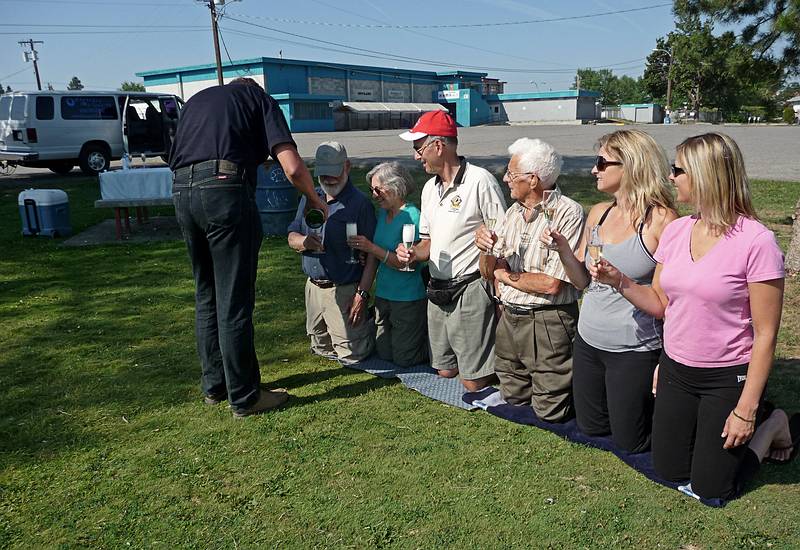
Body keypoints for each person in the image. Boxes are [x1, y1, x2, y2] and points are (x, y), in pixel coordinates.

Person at [592, 132, 785, 499]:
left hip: (726, 376)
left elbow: (765, 335)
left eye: (678, 169)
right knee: (669, 470)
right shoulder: (678, 231)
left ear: (705, 175)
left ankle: (771, 425)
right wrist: (619, 281)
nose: (670, 177)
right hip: (678, 370)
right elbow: (662, 304)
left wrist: (746, 406)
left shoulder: (757, 243)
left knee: (712, 487)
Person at [169, 77, 327, 418]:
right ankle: (245, 396)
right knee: (234, 300)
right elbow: (293, 166)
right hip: (225, 191)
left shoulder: (197, 101)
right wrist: (315, 200)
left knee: (206, 294)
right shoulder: (260, 101)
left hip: (182, 191)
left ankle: (215, 386)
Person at [544, 129, 677, 451]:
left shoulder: (662, 220)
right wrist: (562, 248)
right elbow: (581, 281)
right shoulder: (599, 212)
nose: (594, 170)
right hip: (589, 340)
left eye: (602, 162)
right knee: (591, 427)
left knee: (631, 442)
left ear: (630, 166)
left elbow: (662, 304)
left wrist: (620, 280)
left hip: (633, 349)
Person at [396, 111, 507, 392]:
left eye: (418, 149)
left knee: (472, 383)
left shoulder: (480, 181)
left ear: (438, 146)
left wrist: (499, 290)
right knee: (444, 371)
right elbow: (427, 243)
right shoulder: (428, 189)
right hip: (437, 288)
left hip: (470, 286)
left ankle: (495, 366)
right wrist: (412, 254)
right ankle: (472, 356)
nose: (415, 156)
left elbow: (504, 239)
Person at [475, 138, 584, 422]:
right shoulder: (511, 213)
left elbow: (551, 284)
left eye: (511, 174)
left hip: (547, 321)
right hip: (510, 316)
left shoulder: (567, 212)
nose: (504, 178)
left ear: (533, 180)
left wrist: (504, 275)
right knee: (512, 395)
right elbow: (489, 271)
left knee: (551, 410)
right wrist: (485, 249)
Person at [287, 141, 377, 365]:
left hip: (343, 287)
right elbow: (291, 236)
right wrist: (304, 242)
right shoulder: (310, 197)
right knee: (320, 347)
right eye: (323, 174)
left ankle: (375, 324)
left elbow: (372, 256)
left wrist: (361, 295)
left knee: (352, 356)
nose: (328, 179)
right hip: (313, 288)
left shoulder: (360, 204)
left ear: (347, 167)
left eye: (334, 173)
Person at [346, 162, 428, 366]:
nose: (374, 195)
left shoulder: (413, 216)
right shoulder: (383, 214)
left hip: (407, 297)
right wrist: (362, 292)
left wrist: (371, 248)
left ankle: (436, 348)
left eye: (378, 189)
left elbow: (403, 262)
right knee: (384, 354)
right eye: (372, 190)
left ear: (396, 186)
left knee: (404, 359)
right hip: (384, 294)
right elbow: (377, 256)